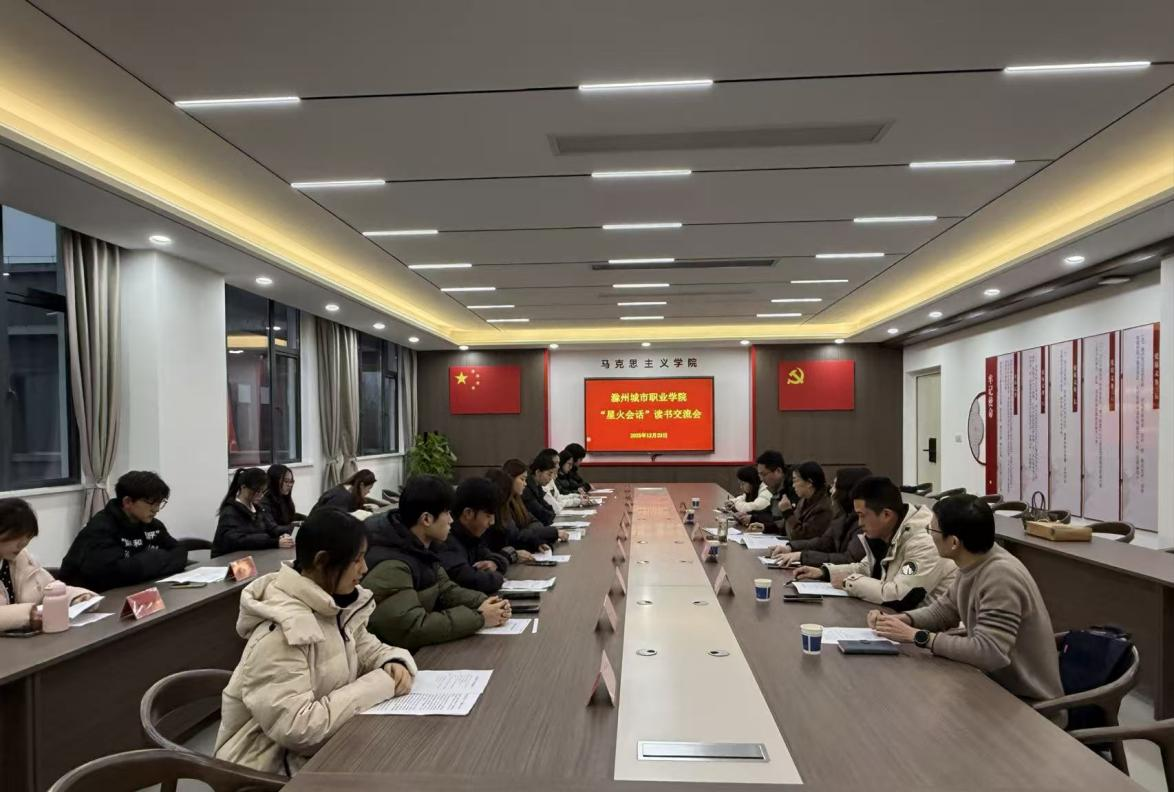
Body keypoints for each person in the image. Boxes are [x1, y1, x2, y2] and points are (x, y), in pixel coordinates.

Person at [214, 508, 415, 776]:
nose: (365, 569)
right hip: (265, 767)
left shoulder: (330, 604)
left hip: (317, 749)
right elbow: (299, 728)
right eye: (357, 559)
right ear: (322, 561)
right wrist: (382, 683)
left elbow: (364, 645)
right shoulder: (281, 631)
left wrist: (391, 660)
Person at [869, 495, 1063, 703]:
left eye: (932, 530)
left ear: (954, 542)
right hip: (992, 686)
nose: (929, 535)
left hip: (1026, 702)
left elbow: (990, 652)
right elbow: (943, 611)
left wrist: (918, 636)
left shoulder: (1000, 576)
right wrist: (904, 620)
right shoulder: (972, 561)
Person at [363, 475, 511, 651]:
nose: (451, 520)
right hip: (393, 658)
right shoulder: (392, 563)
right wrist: (479, 617)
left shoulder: (423, 547)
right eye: (447, 513)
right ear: (426, 519)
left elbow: (446, 589)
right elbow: (412, 628)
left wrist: (488, 602)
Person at [794, 476, 956, 610]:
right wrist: (825, 572)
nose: (859, 523)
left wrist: (848, 582)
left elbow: (899, 596)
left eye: (862, 515)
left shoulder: (924, 542)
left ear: (886, 515)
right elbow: (866, 568)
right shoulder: (886, 531)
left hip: (926, 630)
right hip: (896, 619)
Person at [59, 471, 187, 592]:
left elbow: (179, 553)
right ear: (127, 502)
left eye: (159, 503)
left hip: (134, 590)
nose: (156, 509)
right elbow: (110, 575)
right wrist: (153, 559)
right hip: (88, 597)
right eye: (151, 503)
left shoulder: (153, 525)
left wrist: (150, 562)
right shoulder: (101, 528)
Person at [0, 498, 95, 632]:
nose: (23, 544)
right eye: (17, 536)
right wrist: (27, 615)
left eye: (27, 537)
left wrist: (77, 597)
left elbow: (49, 589)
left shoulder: (21, 558)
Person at [769, 467, 872, 567]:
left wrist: (802, 556)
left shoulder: (863, 521)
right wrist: (791, 547)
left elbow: (849, 559)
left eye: (835, 486)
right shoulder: (843, 515)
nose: (831, 490)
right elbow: (824, 542)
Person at [435, 477, 509, 595]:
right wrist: (498, 578)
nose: (492, 522)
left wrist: (494, 563)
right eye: (488, 516)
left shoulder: (470, 537)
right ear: (468, 513)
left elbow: (493, 556)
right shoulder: (447, 541)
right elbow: (469, 580)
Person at [213, 468, 295, 557]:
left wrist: (282, 536)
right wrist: (274, 542)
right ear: (243, 487)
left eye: (263, 491)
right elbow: (238, 540)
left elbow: (271, 529)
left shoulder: (258, 508)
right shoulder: (230, 512)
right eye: (257, 491)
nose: (261, 495)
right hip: (229, 560)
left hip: (251, 556)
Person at [484, 468, 556, 562]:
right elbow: (486, 553)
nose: (525, 484)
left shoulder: (510, 504)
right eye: (522, 479)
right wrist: (512, 554)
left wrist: (536, 543)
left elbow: (516, 535)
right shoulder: (498, 509)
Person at [741, 450, 798, 532]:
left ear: (778, 471)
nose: (761, 479)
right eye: (759, 475)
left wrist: (765, 527)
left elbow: (789, 522)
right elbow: (770, 512)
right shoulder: (777, 487)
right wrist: (751, 516)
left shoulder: (794, 489)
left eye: (764, 474)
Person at [779, 461, 833, 541]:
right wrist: (766, 527)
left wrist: (787, 512)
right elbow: (791, 524)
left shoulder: (824, 507)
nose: (793, 485)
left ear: (809, 482)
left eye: (796, 480)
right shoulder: (804, 500)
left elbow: (801, 536)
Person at [311, 469, 376, 514]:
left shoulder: (345, 489)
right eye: (369, 488)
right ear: (361, 485)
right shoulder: (341, 498)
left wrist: (374, 504)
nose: (369, 491)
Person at [262, 464, 305, 529]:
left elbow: (290, 517)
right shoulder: (265, 502)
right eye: (286, 481)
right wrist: (296, 525)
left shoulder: (284, 498)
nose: (290, 485)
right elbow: (273, 529)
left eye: (291, 481)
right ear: (275, 481)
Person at [523, 452, 559, 526]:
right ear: (538, 472)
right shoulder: (527, 490)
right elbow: (541, 513)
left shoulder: (538, 487)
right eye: (549, 474)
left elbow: (549, 508)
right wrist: (550, 515)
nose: (551, 478)